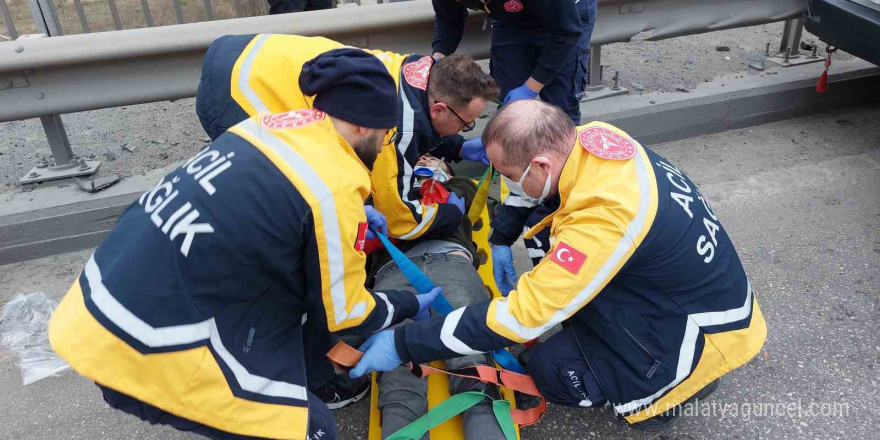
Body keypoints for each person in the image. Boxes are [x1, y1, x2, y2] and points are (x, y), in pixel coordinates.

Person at [48, 53, 441, 440]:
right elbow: (345, 314)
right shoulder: (334, 184)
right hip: (143, 345)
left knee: (291, 294)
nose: (385, 142)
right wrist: (406, 304)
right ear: (360, 124)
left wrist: (348, 220)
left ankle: (303, 378)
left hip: (93, 311)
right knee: (311, 430)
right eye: (386, 133)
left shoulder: (264, 126)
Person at [349, 99, 768, 431]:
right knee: (547, 245)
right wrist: (499, 239)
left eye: (508, 175)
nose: (506, 184)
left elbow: (521, 318)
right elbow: (531, 191)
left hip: (702, 334)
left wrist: (403, 344)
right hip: (693, 291)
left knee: (551, 369)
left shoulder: (603, 221)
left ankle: (673, 393)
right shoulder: (594, 139)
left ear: (541, 164)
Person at [196, 33, 498, 242]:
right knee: (278, 193)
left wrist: (456, 147)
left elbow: (422, 125)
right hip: (239, 94)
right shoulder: (398, 124)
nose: (463, 130)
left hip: (246, 52)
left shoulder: (420, 71)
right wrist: (450, 213)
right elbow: (401, 220)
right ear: (440, 109)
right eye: (465, 126)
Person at [368, 155, 506, 440]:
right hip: (394, 268)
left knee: (472, 368)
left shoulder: (456, 189)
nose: (427, 158)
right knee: (397, 376)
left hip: (449, 262)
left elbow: (465, 192)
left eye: (437, 159)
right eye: (421, 156)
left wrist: (437, 178)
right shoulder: (386, 192)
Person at [431, 0, 593, 124]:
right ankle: (510, 161)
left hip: (565, 15)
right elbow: (448, 18)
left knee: (560, 107)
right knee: (508, 106)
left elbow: (566, 33)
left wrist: (529, 89)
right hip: (510, 19)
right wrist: (438, 57)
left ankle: (566, 164)